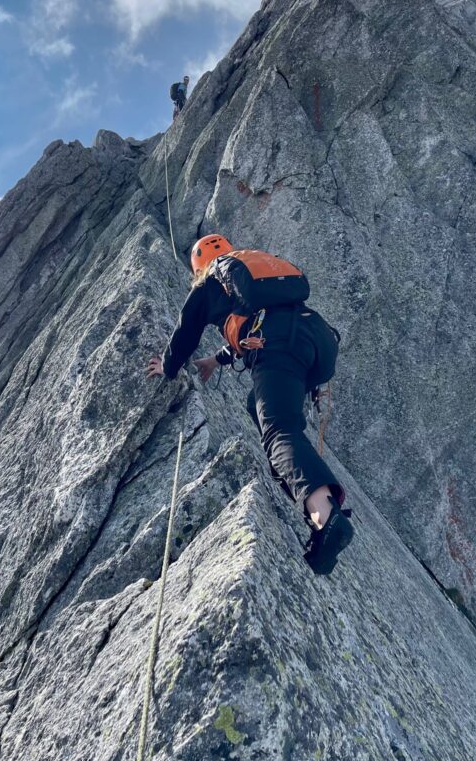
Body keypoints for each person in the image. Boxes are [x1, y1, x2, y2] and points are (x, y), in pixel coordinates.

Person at [147, 234, 354, 575]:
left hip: (281, 344)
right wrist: (216, 359)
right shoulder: (257, 271)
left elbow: (186, 332)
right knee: (255, 404)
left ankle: (327, 517)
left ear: (199, 269)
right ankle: (311, 506)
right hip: (316, 338)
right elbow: (255, 327)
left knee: (279, 431)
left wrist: (167, 367)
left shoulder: (208, 285)